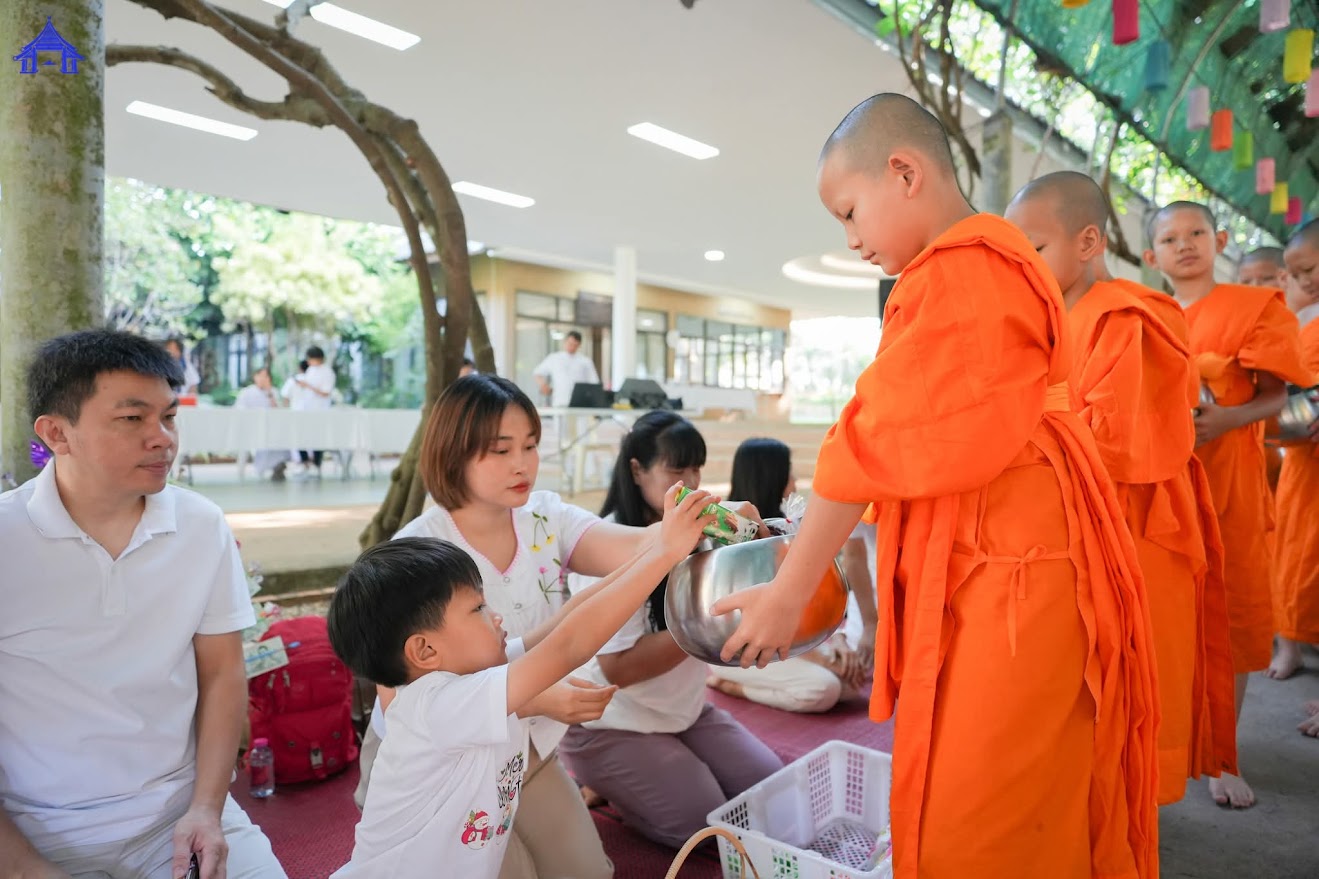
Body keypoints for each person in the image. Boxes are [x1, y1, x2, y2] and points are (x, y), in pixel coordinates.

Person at [714, 94, 1159, 879]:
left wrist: (792, 584)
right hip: (1016, 551)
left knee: (983, 808)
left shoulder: (964, 272)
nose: (849, 240)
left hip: (1013, 571)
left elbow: (870, 442)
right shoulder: (978, 266)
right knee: (1014, 790)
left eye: (850, 213)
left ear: (904, 172)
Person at [356, 374, 679, 879]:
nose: (522, 463)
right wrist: (532, 698)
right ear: (452, 453)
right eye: (500, 450)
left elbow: (632, 551)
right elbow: (403, 700)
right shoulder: (419, 551)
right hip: (443, 766)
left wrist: (712, 524)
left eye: (530, 445)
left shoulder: (543, 516)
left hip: (523, 750)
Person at [0, 329, 284, 879]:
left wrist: (207, 808)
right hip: (35, 831)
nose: (162, 439)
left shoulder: (200, 525)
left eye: (169, 417)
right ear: (57, 433)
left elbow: (223, 673)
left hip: (178, 816)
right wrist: (25, 866)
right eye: (133, 419)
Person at [327, 485, 715, 879]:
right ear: (425, 651)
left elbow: (564, 622)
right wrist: (664, 552)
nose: (495, 616)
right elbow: (568, 646)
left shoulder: (472, 675)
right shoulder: (437, 705)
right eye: (477, 608)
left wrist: (656, 552)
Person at [1005, 171, 1236, 805]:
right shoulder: (1055, 316)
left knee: (1134, 671)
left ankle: (1127, 823)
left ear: (1087, 243)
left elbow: (1109, 441)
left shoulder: (1126, 316)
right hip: (1074, 519)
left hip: (1135, 523)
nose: (1025, 267)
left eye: (1036, 249)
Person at [1143, 200, 1312, 808]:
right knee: (1160, 620)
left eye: (1195, 233)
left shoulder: (1251, 308)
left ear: (1218, 240)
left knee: (1234, 617)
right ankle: (1156, 745)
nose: (1184, 245)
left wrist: (1226, 419)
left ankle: (1223, 756)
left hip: (1230, 480)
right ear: (1150, 256)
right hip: (1159, 486)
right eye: (1169, 238)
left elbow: (1278, 396)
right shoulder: (1142, 314)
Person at [558, 412, 782, 848]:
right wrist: (705, 622)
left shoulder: (705, 530)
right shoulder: (607, 545)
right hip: (612, 724)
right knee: (707, 831)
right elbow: (619, 668)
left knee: (771, 794)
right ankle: (609, 783)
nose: (691, 482)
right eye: (676, 470)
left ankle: (646, 775)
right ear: (637, 469)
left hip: (685, 712)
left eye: (697, 468)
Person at [707, 436, 878, 713]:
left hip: (789, 640)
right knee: (826, 688)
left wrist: (835, 641)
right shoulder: (731, 533)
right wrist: (821, 658)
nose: (795, 480)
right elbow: (750, 625)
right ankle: (734, 686)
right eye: (789, 471)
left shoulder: (789, 526)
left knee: (850, 684)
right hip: (745, 647)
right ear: (771, 475)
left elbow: (816, 600)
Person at [1269, 220, 1319, 681]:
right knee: (1294, 559)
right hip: (1305, 467)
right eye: (1296, 272)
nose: (1304, 280)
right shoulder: (1307, 326)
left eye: (1311, 268)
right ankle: (1291, 647)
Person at [1236, 247, 1291, 489]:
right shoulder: (1239, 324)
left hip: (1294, 438)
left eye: (1266, 279)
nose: (1256, 287)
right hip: (1249, 440)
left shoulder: (1296, 321)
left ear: (1284, 277)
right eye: (1247, 281)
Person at [234, 367, 290, 481]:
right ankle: (266, 466)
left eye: (266, 376)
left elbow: (278, 411)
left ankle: (278, 466)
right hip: (251, 427)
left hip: (272, 428)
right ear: (255, 377)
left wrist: (269, 393)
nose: (263, 379)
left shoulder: (273, 391)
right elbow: (239, 410)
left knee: (280, 438)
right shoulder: (246, 392)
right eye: (260, 375)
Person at [293, 346, 335, 476]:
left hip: (320, 410)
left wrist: (308, 386)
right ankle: (304, 462)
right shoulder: (310, 370)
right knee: (300, 436)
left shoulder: (327, 372)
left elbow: (325, 393)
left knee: (318, 438)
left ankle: (317, 464)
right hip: (306, 409)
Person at [533, 331, 599, 407]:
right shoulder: (554, 358)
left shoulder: (585, 361)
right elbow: (537, 373)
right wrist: (543, 385)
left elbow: (594, 383)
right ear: (565, 342)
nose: (572, 347)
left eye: (575, 345)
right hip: (559, 401)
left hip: (580, 403)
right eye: (570, 344)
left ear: (579, 345)